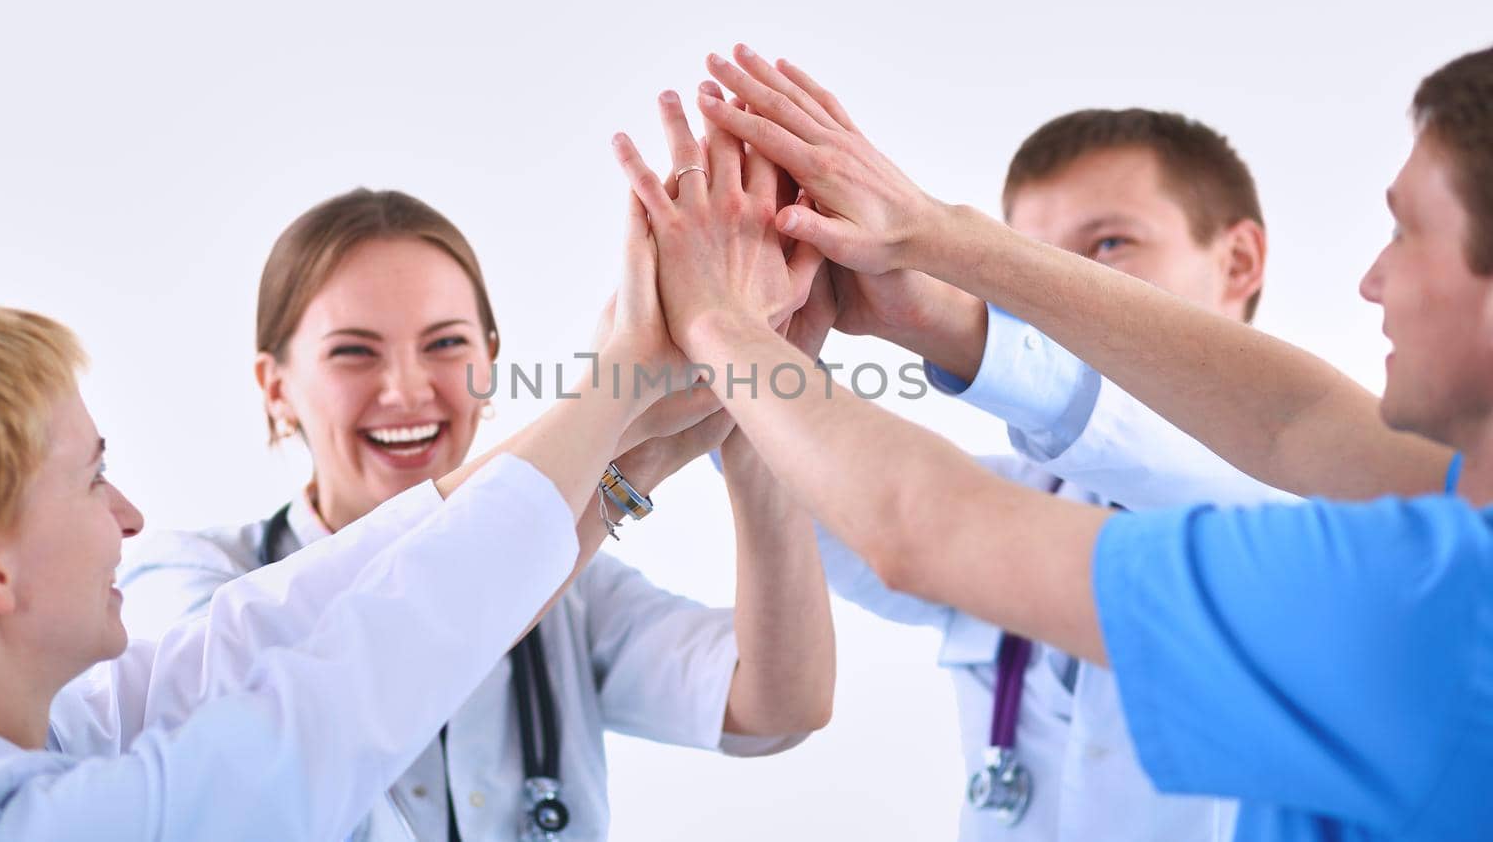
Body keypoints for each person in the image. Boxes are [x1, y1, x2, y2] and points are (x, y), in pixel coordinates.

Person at [608, 42, 1492, 840]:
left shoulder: (1426, 596)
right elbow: (1296, 421)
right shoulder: (1444, 528)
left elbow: (919, 524)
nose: (1372, 279)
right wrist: (933, 259)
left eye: (1408, 231)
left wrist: (723, 329)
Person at [0, 200, 771, 839]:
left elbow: (281, 622)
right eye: (93, 480)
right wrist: (616, 388)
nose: (129, 515)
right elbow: (352, 680)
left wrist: (633, 436)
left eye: (446, 342)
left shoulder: (53, 727)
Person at [117, 180, 834, 840]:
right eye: (353, 352)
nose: (406, 389)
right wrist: (622, 411)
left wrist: (755, 398)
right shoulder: (185, 580)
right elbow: (283, 719)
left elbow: (777, 707)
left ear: (490, 360)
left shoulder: (575, 586)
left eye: (447, 344)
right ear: (275, 387)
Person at [783, 106, 1297, 841]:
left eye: (1110, 243)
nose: (1049, 289)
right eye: (1021, 258)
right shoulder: (1012, 498)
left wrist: (948, 321)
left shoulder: (1339, 503)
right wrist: (755, 325)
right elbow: (809, 495)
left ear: (1239, 261)